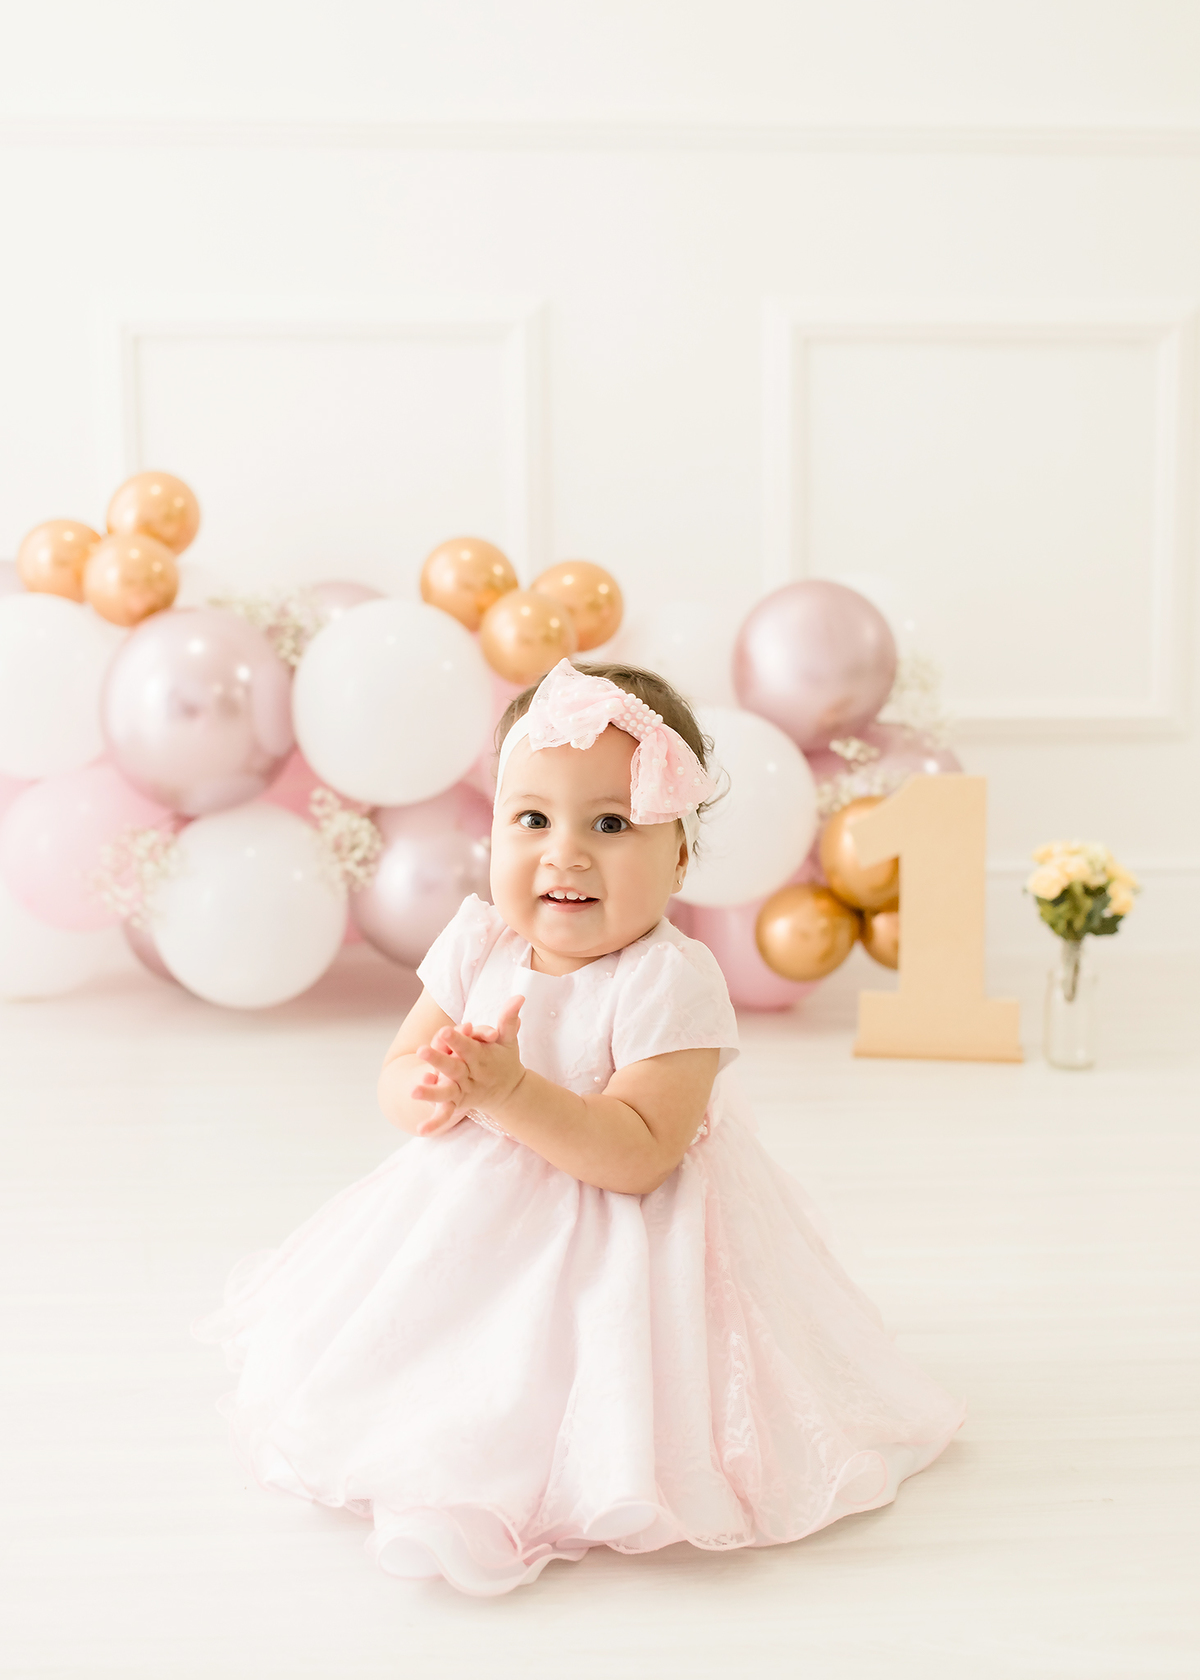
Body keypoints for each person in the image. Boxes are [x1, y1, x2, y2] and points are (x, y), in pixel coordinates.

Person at [193, 657, 963, 1596]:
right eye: (532, 820)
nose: (565, 854)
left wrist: (511, 1093)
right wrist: (435, 1091)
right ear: (493, 830)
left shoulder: (669, 981)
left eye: (611, 824)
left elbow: (640, 1155)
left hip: (634, 1247)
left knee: (579, 1362)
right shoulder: (479, 942)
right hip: (471, 1215)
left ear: (679, 858)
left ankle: (586, 1455)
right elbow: (397, 1073)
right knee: (442, 1343)